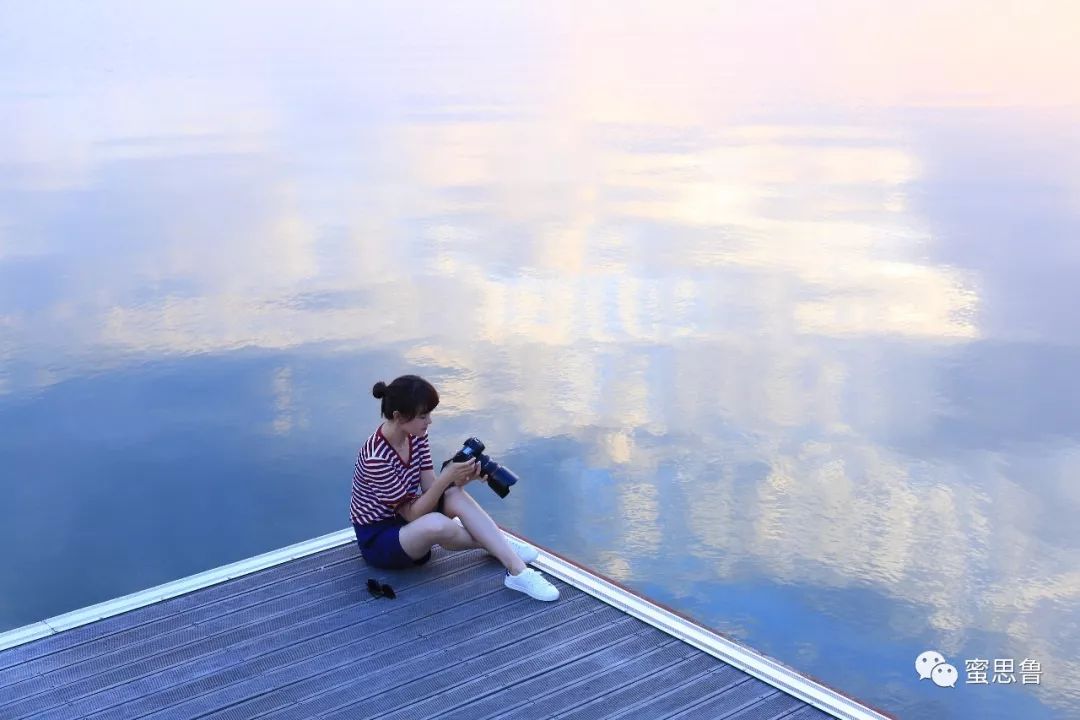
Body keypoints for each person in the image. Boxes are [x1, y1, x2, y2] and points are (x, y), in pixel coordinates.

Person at [350, 374, 560, 601]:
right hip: (380, 540)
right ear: (398, 417)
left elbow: (430, 486)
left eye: (429, 414)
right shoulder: (376, 458)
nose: (429, 421)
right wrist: (447, 476)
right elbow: (412, 514)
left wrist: (462, 478)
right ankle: (496, 544)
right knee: (437, 524)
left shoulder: (416, 435)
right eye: (423, 416)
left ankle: (517, 571)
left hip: (408, 521)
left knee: (455, 495)